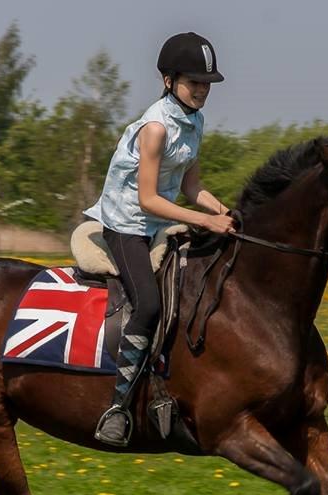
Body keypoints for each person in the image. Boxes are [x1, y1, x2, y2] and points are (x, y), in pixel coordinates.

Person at [83, 32, 236, 446]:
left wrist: (223, 212)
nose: (202, 90)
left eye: (206, 83)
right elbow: (148, 199)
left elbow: (192, 186)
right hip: (126, 224)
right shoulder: (155, 128)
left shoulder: (195, 121)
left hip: (158, 222)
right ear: (168, 80)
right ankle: (117, 408)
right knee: (149, 304)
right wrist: (203, 222)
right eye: (194, 82)